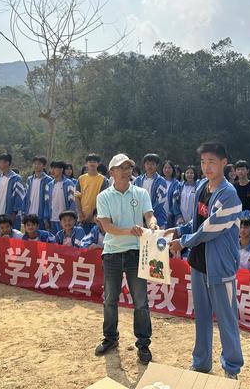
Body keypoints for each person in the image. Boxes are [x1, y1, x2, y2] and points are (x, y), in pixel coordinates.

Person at [168, 142, 243, 379]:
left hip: (220, 266)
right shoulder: (202, 186)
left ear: (224, 163)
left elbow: (210, 229)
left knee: (226, 318)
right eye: (203, 162)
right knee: (201, 316)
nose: (206, 167)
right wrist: (177, 231)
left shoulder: (228, 194)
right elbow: (195, 223)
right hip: (199, 262)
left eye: (211, 162)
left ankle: (231, 368)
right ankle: (201, 363)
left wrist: (184, 242)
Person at [94, 153, 159, 366]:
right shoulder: (104, 197)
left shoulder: (140, 193)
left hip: (136, 254)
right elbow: (107, 226)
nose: (127, 171)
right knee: (110, 299)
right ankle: (111, 338)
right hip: (112, 253)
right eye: (121, 168)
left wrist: (152, 225)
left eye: (129, 167)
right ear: (112, 172)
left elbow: (149, 214)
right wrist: (128, 231)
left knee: (140, 301)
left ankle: (143, 344)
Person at [0, 153, 25, 230]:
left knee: (13, 240)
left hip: (11, 216)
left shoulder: (16, 178)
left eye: (0, 162)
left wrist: (14, 214)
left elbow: (19, 197)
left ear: (7, 163)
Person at [76, 154, 109, 233]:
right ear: (86, 164)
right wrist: (80, 214)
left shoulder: (103, 180)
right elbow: (77, 197)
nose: (92, 163)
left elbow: (103, 199)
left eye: (94, 162)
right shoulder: (81, 178)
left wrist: (91, 214)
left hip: (97, 218)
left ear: (98, 164)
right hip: (82, 218)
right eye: (90, 161)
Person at [133, 153, 167, 228]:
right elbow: (134, 197)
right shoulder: (138, 180)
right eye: (147, 163)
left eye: (152, 164)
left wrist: (148, 214)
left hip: (158, 219)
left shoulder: (161, 181)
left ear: (157, 165)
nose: (149, 166)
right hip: (140, 220)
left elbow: (160, 202)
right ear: (144, 165)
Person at [44, 160, 76, 235]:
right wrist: (46, 218)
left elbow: (73, 202)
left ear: (61, 169)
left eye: (55, 168)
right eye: (51, 168)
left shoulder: (69, 183)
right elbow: (46, 203)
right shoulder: (49, 185)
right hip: (52, 219)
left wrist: (71, 218)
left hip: (65, 221)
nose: (52, 171)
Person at [22, 155, 52, 231]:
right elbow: (26, 196)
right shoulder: (29, 179)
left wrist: (46, 216)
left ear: (43, 166)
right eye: (35, 163)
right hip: (29, 213)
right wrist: (24, 212)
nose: (36, 166)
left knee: (41, 238)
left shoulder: (48, 180)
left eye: (39, 164)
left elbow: (48, 200)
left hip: (41, 215)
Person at [160, 160, 181, 227]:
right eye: (165, 168)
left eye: (169, 168)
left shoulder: (177, 184)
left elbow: (176, 201)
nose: (167, 170)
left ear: (172, 169)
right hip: (158, 214)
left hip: (170, 215)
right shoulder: (158, 181)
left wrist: (170, 212)